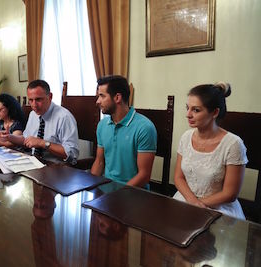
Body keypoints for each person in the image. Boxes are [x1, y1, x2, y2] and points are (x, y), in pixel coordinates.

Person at [173, 82, 247, 219]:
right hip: (186, 199)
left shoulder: (233, 144)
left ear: (215, 112)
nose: (188, 114)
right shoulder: (186, 137)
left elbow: (230, 193)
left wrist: (198, 205)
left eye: (196, 110)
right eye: (187, 108)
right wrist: (192, 201)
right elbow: (178, 177)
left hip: (219, 207)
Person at [91, 75, 157, 188]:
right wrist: (89, 187)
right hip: (106, 189)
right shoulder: (102, 125)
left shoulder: (145, 127)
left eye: (102, 96)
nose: (97, 101)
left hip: (133, 193)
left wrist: (118, 195)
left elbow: (144, 175)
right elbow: (99, 162)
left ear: (117, 98)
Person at [0, 80, 79, 164]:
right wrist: (10, 137)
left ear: (50, 96)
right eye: (30, 100)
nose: (34, 105)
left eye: (38, 99)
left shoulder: (64, 117)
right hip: (35, 162)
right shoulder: (33, 114)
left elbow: (72, 154)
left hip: (56, 167)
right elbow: (26, 139)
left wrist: (42, 143)